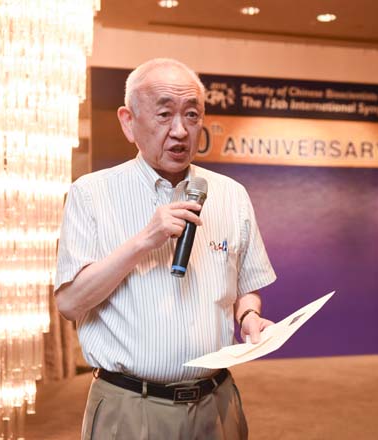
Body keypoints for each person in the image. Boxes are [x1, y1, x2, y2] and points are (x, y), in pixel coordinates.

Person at [54, 58, 276, 439]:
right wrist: (144, 241)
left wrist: (249, 315)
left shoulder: (231, 195)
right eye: (164, 114)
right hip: (130, 407)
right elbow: (70, 303)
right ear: (128, 121)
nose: (180, 131)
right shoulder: (90, 194)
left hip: (217, 403)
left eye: (192, 115)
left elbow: (245, 286)